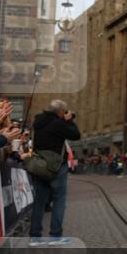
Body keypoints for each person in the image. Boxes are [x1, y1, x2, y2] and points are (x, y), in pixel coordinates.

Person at [29, 99, 81, 244]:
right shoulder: (59, 123)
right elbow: (76, 135)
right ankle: (55, 236)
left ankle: (35, 236)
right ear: (60, 112)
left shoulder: (38, 121)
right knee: (59, 200)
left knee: (39, 202)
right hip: (57, 166)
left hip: (40, 165)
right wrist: (69, 121)